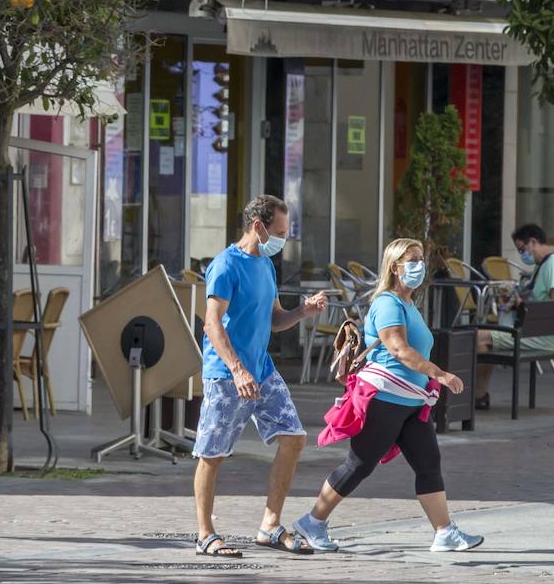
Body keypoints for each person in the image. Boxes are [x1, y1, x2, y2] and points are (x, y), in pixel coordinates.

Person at [293, 238, 484, 553]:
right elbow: (399, 350)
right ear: (395, 268)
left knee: (428, 463)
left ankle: (444, 532)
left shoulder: (407, 303)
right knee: (360, 464)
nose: (419, 266)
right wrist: (440, 374)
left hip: (411, 402)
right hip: (385, 399)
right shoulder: (387, 303)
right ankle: (313, 521)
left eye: (421, 259)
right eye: (412, 261)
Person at [193, 194, 329, 559]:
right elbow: (211, 323)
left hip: (262, 370)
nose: (283, 240)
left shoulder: (265, 265)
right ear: (258, 226)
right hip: (227, 373)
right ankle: (205, 534)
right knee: (213, 453)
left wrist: (303, 311)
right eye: (280, 232)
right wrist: (237, 370)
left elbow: (275, 319)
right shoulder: (225, 266)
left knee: (295, 438)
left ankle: (270, 526)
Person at [473, 223, 554, 409]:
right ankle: (479, 395)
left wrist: (522, 305)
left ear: (533, 242)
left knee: (479, 337)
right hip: (537, 332)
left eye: (522, 249)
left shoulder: (552, 266)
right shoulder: (543, 266)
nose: (522, 255)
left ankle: (476, 395)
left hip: (542, 337)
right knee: (482, 339)